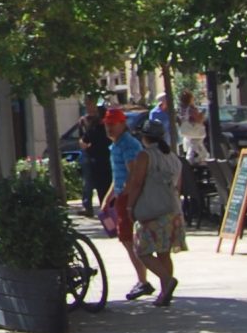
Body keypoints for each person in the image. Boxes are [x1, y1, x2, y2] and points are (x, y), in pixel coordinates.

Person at [123, 116, 186, 305]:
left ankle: (167, 280)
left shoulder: (145, 156)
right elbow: (179, 185)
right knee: (164, 253)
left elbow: (137, 183)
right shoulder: (173, 157)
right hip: (173, 209)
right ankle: (165, 293)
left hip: (152, 210)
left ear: (144, 137)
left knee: (141, 251)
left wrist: (130, 206)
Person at [109, 108, 150, 297]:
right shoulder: (117, 144)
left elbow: (133, 173)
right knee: (128, 240)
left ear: (122, 124)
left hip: (128, 197)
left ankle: (143, 281)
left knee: (129, 239)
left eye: (113, 124)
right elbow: (119, 174)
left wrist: (126, 198)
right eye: (107, 124)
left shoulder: (128, 144)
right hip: (122, 196)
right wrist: (109, 197)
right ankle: (143, 279)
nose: (109, 127)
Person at [77, 102, 113, 218]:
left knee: (100, 189)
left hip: (96, 161)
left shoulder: (94, 128)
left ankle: (106, 214)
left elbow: (84, 142)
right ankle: (111, 213)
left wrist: (85, 145)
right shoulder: (109, 128)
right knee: (109, 189)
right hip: (109, 161)